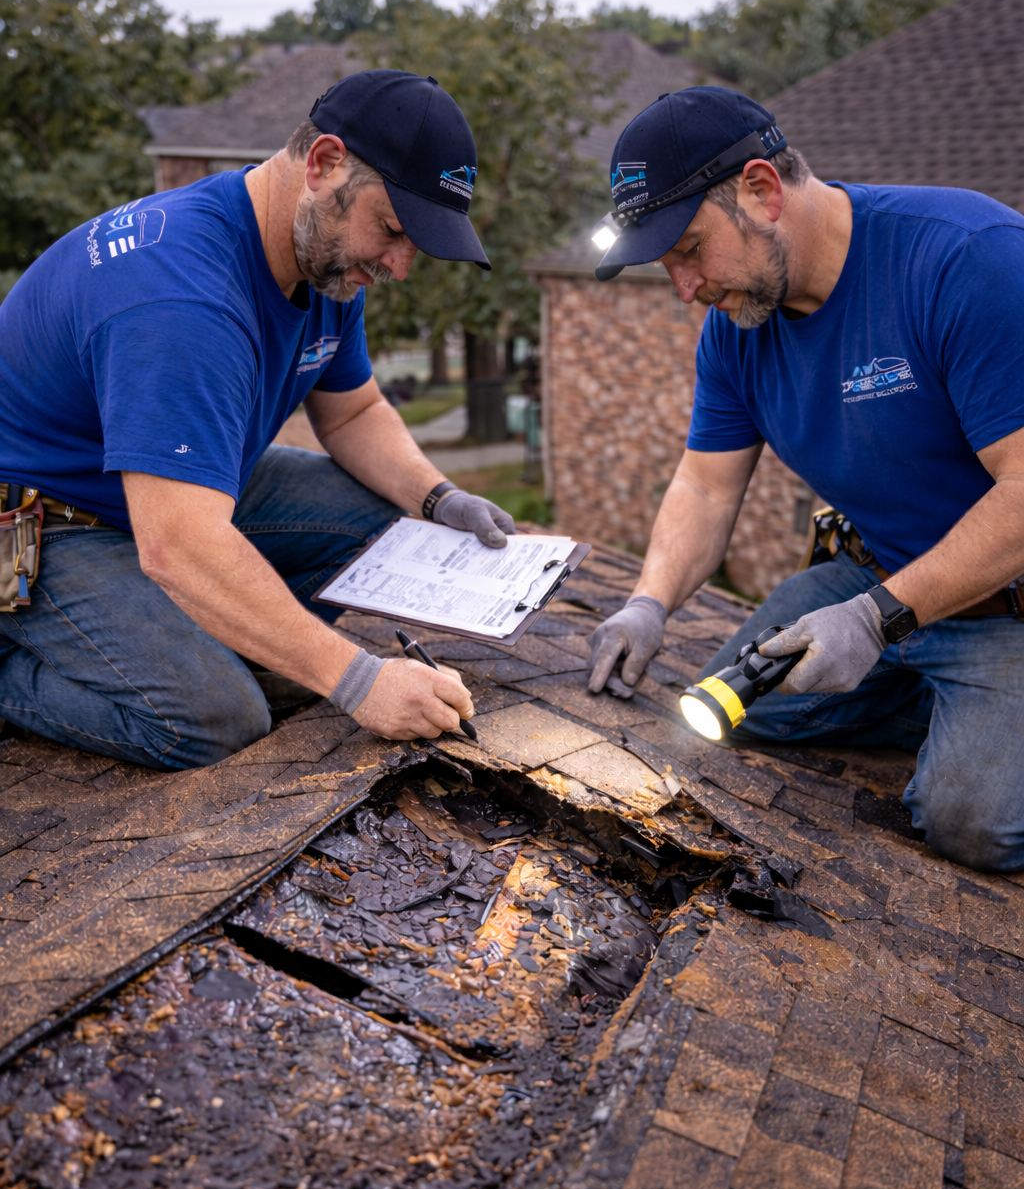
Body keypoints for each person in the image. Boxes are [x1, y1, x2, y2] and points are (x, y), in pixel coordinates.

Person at [0, 69, 513, 769]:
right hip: (39, 520)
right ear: (324, 165)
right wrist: (358, 681)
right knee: (214, 717)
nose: (397, 266)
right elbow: (176, 544)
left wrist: (439, 497)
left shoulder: (322, 259)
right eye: (392, 230)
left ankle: (220, 633)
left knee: (385, 526)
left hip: (169, 490)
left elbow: (354, 410)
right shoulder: (182, 300)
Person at [586, 87, 1024, 872]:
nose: (686, 289)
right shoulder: (737, 330)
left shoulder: (967, 259)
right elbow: (707, 487)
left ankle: (972, 713)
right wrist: (646, 605)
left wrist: (873, 623)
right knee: (729, 708)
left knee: (971, 822)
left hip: (1006, 602)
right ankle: (935, 700)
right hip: (879, 577)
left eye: (689, 249)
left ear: (761, 189)